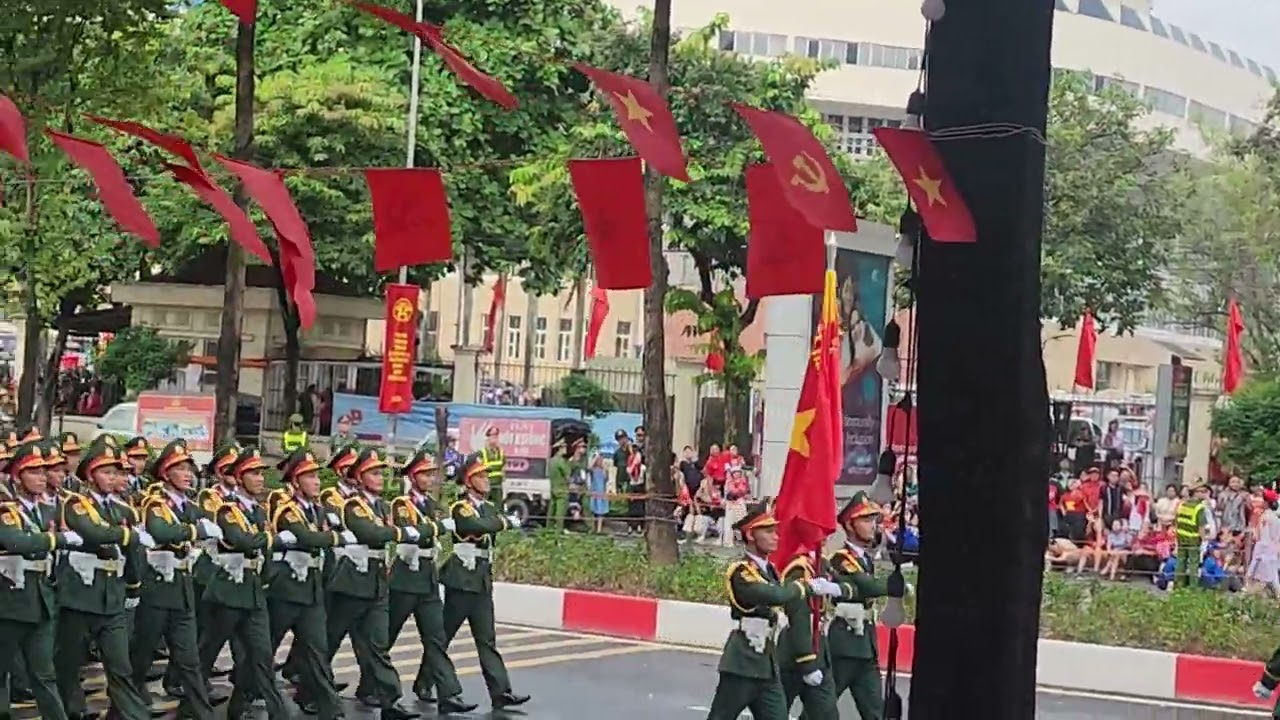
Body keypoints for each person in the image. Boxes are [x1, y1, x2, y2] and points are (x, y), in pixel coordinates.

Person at [705, 502, 841, 719]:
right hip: (743, 662)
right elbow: (774, 596)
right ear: (750, 535)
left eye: (776, 531)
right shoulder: (742, 572)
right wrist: (807, 586)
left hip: (767, 663)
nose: (776, 536)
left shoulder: (770, 571)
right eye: (768, 531)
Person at [367, 449, 477, 713]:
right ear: (413, 477)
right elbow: (412, 533)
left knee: (436, 638)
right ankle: (369, 685)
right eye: (425, 474)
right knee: (387, 636)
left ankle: (449, 694)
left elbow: (434, 530)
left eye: (431, 474)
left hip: (427, 576)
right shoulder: (402, 504)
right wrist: (437, 528)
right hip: (405, 577)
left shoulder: (431, 504)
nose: (430, 478)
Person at [197, 446, 302, 719]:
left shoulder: (257, 511)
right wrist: (275, 540)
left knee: (261, 655)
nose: (260, 479)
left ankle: (270, 711)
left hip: (252, 590)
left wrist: (267, 578)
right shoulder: (227, 510)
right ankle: (191, 706)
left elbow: (260, 550)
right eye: (253, 473)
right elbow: (243, 541)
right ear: (239, 478)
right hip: (227, 590)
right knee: (207, 652)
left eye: (260, 473)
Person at [54, 442, 156, 720]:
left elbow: (133, 552)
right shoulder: (76, 504)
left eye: (117, 472)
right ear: (90, 475)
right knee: (68, 663)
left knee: (120, 666)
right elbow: (93, 532)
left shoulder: (124, 510)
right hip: (79, 595)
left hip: (112, 597)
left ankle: (132, 716)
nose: (113, 478)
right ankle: (73, 711)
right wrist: (129, 536)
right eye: (107, 472)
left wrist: (134, 585)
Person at [129, 440, 222, 718]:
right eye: (179, 469)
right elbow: (162, 531)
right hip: (157, 588)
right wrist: (195, 531)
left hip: (181, 588)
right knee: (143, 653)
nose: (187, 474)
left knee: (189, 659)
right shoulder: (155, 503)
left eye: (189, 468)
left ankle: (199, 710)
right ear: (166, 473)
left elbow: (211, 524)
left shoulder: (189, 505)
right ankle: (125, 703)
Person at [326, 447, 421, 720]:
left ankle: (390, 700)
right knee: (330, 639)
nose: (381, 478)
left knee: (378, 645)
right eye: (375, 473)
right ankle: (311, 690)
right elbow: (371, 533)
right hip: (352, 581)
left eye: (381, 473)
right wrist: (400, 532)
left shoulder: (380, 505)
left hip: (376, 581)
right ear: (360, 476)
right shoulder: (354, 505)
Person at [0, 442, 84, 720]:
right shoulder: (6, 511)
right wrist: (57, 539)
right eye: (33, 472)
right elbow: (16, 541)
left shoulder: (49, 511)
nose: (41, 477)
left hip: (42, 600)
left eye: (43, 472)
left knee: (44, 673)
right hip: (10, 601)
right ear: (16, 477)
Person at [268, 449, 350, 720]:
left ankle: (331, 709)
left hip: (311, 588)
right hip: (286, 588)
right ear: (296, 481)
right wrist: (336, 538)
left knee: (317, 649)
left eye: (317, 476)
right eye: (310, 477)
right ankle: (242, 699)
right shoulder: (288, 510)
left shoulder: (317, 509)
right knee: (265, 648)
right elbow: (308, 538)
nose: (317, 482)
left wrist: (332, 533)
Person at [441, 457, 529, 710]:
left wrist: (496, 523)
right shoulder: (461, 507)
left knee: (486, 639)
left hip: (480, 581)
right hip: (461, 580)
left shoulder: (489, 507)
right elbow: (476, 526)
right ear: (469, 482)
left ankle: (500, 691)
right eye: (480, 477)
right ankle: (426, 683)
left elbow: (489, 526)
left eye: (486, 477)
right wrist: (502, 522)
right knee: (444, 636)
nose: (486, 481)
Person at [828, 492, 893, 719]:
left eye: (873, 520)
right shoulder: (841, 559)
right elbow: (869, 587)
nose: (872, 525)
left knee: (876, 712)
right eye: (866, 520)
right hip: (844, 646)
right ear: (849, 525)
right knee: (821, 711)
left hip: (865, 646)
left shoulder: (865, 559)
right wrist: (896, 584)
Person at [1175, 482, 1213, 587]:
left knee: (1180, 562)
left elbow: (1177, 521)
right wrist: (1204, 538)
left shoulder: (1182, 504)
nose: (1205, 494)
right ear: (1195, 493)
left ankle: (1178, 585)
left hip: (1181, 537)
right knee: (1193, 564)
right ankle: (1193, 587)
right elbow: (1201, 526)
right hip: (1193, 539)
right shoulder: (1199, 507)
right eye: (1202, 492)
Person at [478, 424, 506, 504]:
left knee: (497, 508)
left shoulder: (501, 452)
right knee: (485, 507)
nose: (495, 437)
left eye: (496, 435)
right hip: (486, 486)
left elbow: (503, 468)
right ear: (488, 437)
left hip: (498, 486)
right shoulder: (482, 452)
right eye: (492, 435)